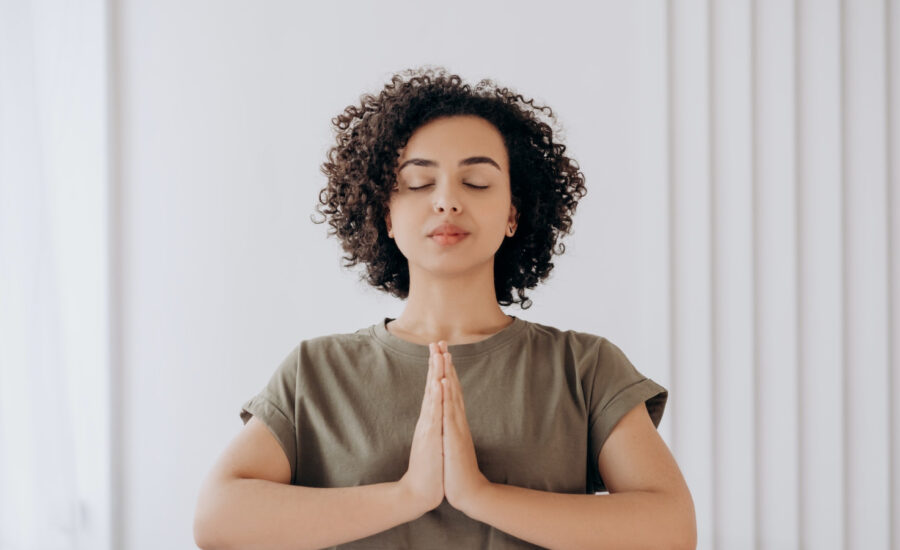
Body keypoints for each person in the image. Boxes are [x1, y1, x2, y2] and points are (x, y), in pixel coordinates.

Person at [194, 66, 696, 550]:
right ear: (385, 214)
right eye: (418, 183)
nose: (447, 202)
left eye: (476, 182)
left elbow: (671, 529)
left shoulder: (584, 368)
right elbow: (218, 520)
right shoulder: (316, 372)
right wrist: (408, 494)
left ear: (513, 215)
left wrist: (480, 495)